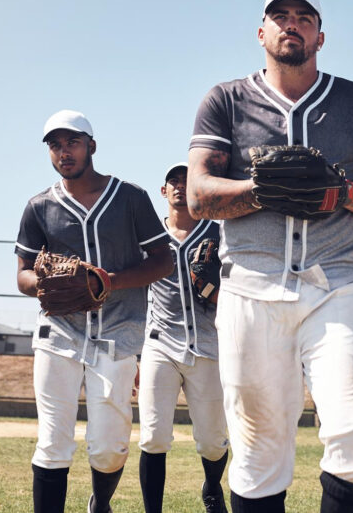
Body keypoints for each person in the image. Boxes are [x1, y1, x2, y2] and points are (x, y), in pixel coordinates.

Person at [186, 0, 353, 512]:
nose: (292, 24)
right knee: (259, 455)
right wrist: (261, 189)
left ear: (321, 35)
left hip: (336, 286)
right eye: (280, 15)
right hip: (250, 289)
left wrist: (338, 192)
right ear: (261, 31)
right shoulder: (226, 99)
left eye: (304, 17)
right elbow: (198, 195)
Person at [15, 109, 172, 513]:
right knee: (52, 441)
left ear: (92, 146)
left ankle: (100, 503)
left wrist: (110, 282)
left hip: (117, 331)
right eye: (55, 145)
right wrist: (45, 284)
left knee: (108, 449)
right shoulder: (39, 206)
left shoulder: (131, 198)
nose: (63, 152)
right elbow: (22, 276)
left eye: (72, 142)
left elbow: (162, 261)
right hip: (59, 333)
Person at [138, 162, 230, 513]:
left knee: (212, 442)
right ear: (163, 191)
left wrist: (214, 291)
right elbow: (135, 296)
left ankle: (211, 487)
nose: (179, 186)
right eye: (172, 181)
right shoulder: (149, 239)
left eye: (186, 181)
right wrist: (135, 354)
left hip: (208, 343)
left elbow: (238, 289)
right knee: (153, 436)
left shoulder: (218, 234)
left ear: (197, 190)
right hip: (159, 343)